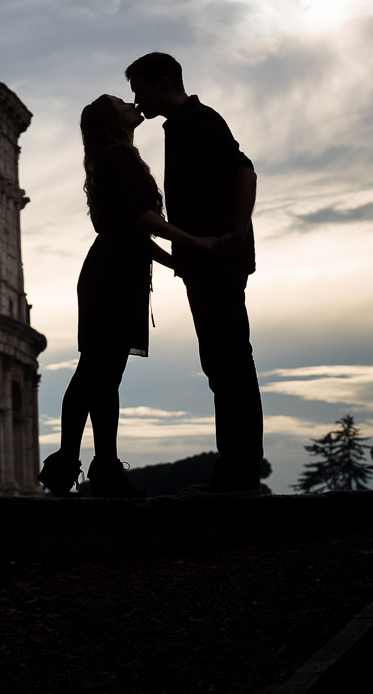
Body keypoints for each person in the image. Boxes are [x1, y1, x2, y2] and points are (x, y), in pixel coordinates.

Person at [38, 94, 215, 498]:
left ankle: (99, 467)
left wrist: (177, 261)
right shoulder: (119, 157)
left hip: (119, 269)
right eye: (122, 101)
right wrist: (194, 243)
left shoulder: (114, 157)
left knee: (104, 374)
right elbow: (140, 220)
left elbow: (134, 230)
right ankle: (77, 465)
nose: (132, 102)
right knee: (96, 370)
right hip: (114, 274)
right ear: (110, 118)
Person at [125, 52, 264, 498]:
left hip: (218, 258)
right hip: (205, 260)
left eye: (140, 89)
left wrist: (237, 232)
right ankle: (237, 467)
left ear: (163, 83)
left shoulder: (200, 120)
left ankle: (239, 471)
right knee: (221, 362)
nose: (137, 100)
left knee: (229, 360)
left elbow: (244, 169)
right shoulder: (181, 126)